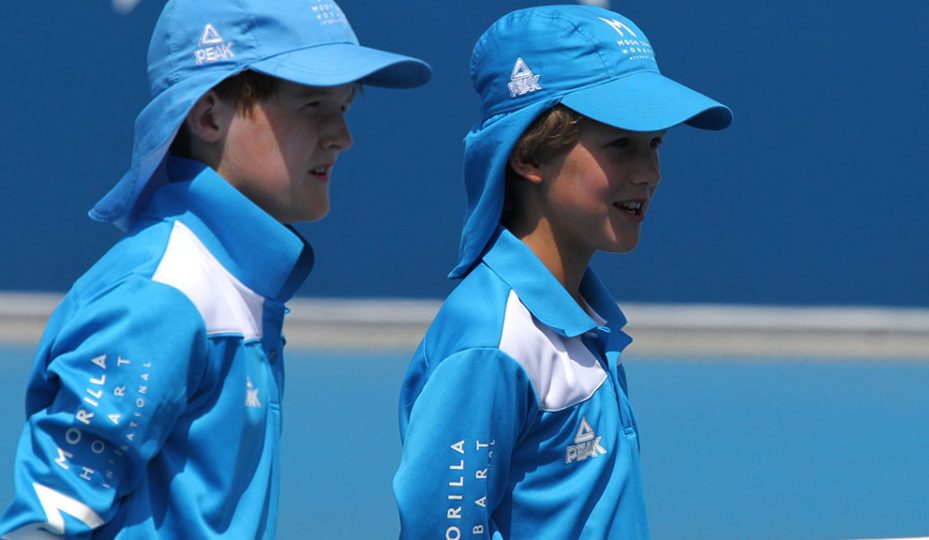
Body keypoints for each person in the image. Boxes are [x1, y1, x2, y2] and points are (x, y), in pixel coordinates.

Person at [0, 0, 430, 537]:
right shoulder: (162, 296)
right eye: (313, 104)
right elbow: (46, 525)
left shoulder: (225, 282)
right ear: (207, 117)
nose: (342, 136)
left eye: (343, 106)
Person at [393, 5, 730, 539]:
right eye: (621, 143)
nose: (649, 173)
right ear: (529, 154)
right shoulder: (494, 343)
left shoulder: (581, 316)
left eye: (656, 144)